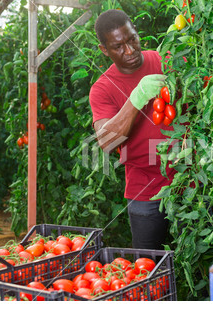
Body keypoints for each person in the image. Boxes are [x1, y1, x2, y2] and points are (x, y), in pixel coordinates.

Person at [89, 9, 176, 250]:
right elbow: (106, 142)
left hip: (190, 182)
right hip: (145, 188)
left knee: (201, 256)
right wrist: (136, 99)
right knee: (148, 263)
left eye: (132, 39)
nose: (130, 51)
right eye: (118, 46)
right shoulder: (103, 89)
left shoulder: (165, 59)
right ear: (104, 50)